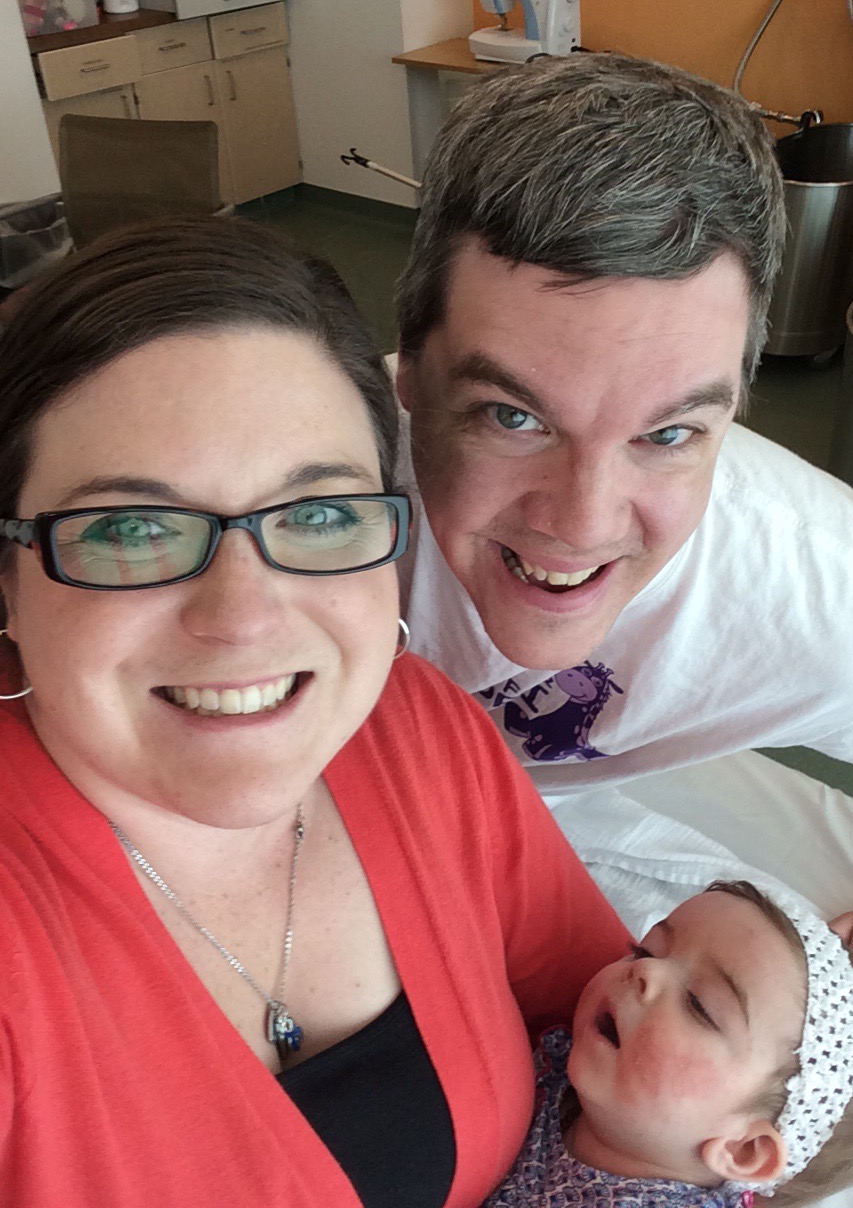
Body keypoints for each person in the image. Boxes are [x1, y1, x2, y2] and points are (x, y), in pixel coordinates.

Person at [0, 216, 632, 1207]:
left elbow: (619, 1046)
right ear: (7, 580)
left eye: (321, 513)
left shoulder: (415, 732)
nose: (243, 618)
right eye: (130, 528)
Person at [392, 52, 853, 1014]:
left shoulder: (805, 579)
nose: (581, 524)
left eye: (667, 436)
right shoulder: (291, 502)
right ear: (409, 375)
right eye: (513, 417)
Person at [485, 880, 853, 1208]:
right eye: (646, 950)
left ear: (742, 1149)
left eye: (699, 1005)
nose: (646, 973)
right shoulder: (562, 1074)